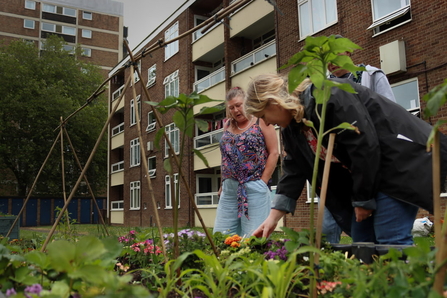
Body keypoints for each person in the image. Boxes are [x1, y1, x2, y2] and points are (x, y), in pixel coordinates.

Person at [245, 73, 447, 245]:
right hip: (370, 177)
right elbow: (294, 169)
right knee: (362, 241)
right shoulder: (292, 129)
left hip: (401, 164)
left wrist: (362, 199)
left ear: (274, 103)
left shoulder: (328, 96)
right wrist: (273, 217)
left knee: (390, 241)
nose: (267, 123)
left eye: (263, 115)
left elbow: (363, 145)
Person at [323, 34, 397, 243]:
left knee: (374, 229)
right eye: (326, 57)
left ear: (347, 52)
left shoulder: (371, 76)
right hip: (340, 170)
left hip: (372, 165)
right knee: (328, 228)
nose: (330, 62)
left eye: (334, 54)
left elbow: (390, 118)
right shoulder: (322, 88)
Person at [213, 86, 279, 237]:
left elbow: (274, 152)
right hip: (229, 189)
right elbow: (225, 156)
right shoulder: (228, 125)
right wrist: (222, 183)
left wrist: (263, 181)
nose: (236, 110)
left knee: (252, 237)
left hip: (254, 185)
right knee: (221, 235)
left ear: (246, 103)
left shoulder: (261, 120)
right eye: (231, 108)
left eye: (238, 105)